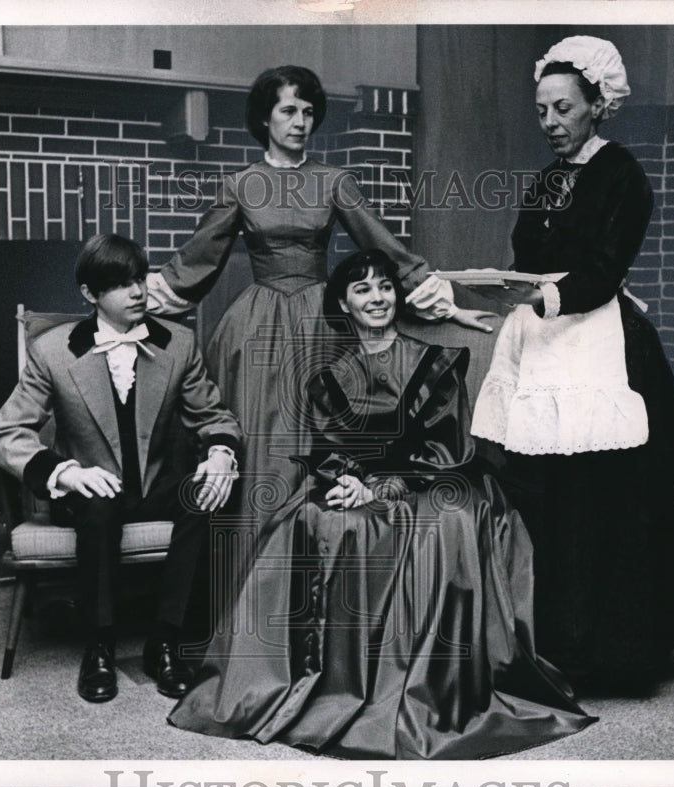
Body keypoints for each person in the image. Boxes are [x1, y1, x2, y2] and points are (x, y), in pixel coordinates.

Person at [167, 250, 595, 760]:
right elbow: (327, 453)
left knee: (443, 524)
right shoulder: (329, 375)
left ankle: (418, 688)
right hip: (366, 483)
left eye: (385, 287)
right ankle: (321, 682)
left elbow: (447, 452)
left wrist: (381, 490)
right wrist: (346, 482)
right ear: (344, 304)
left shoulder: (432, 362)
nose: (377, 298)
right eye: (363, 289)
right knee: (310, 518)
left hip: (437, 482)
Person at [146, 65, 491, 542]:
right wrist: (125, 305)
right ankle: (251, 580)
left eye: (308, 112)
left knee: (317, 442)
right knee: (259, 449)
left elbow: (385, 247)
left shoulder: (333, 182)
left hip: (321, 324)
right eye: (288, 110)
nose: (300, 121)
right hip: (254, 329)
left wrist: (446, 306)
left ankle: (311, 577)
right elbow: (197, 260)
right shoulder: (241, 184)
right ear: (265, 119)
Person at [470, 36, 674, 690]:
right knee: (546, 500)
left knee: (600, 503)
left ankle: (608, 654)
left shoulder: (621, 174)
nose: (550, 122)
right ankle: (549, 642)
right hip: (544, 339)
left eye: (563, 108)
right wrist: (503, 288)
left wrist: (543, 293)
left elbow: (604, 267)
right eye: (542, 109)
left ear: (597, 106)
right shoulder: (546, 178)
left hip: (600, 343)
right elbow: (526, 255)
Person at [0, 233, 242, 703]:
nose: (138, 293)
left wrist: (221, 454)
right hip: (90, 488)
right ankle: (99, 645)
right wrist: (66, 473)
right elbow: (6, 435)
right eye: (121, 285)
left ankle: (165, 640)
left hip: (154, 483)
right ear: (90, 294)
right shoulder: (53, 351)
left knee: (205, 495)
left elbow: (214, 416)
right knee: (99, 507)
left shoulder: (177, 344)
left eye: (140, 280)